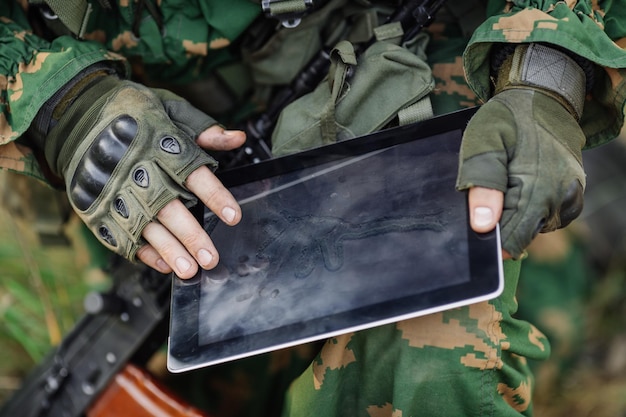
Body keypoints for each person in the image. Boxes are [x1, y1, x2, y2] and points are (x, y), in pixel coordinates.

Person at [1, 1, 625, 416]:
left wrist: (547, 76)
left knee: (429, 365)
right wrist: (61, 104)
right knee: (211, 378)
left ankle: (580, 236)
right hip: (151, 159)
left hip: (407, 75)